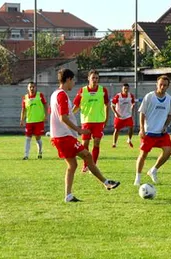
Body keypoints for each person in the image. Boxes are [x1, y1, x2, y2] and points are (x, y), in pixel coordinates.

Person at [50, 68, 120, 202]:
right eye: (73, 80)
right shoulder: (62, 95)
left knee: (72, 165)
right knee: (87, 155)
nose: (74, 83)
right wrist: (79, 130)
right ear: (68, 79)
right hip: (63, 137)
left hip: (59, 136)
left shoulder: (55, 94)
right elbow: (63, 117)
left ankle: (68, 196)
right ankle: (106, 182)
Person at [134, 75, 171, 186]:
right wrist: (141, 129)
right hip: (149, 132)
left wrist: (166, 125)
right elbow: (142, 112)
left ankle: (153, 170)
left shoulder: (170, 99)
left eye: (165, 85)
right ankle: (137, 178)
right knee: (143, 155)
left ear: (168, 86)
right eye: (161, 84)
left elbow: (170, 115)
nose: (162, 86)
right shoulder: (149, 97)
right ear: (157, 84)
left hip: (161, 133)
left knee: (168, 151)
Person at [72, 70, 110, 172]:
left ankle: (93, 166)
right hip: (86, 122)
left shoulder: (103, 90)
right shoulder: (82, 91)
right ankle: (85, 165)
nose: (95, 80)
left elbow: (107, 105)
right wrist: (69, 115)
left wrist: (106, 118)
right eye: (93, 78)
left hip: (98, 121)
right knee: (85, 145)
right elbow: (76, 106)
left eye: (97, 78)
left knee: (96, 143)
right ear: (88, 78)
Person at [20, 82, 47, 160]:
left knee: (38, 138)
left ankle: (40, 151)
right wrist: (22, 120)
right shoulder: (25, 97)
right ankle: (26, 155)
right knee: (28, 138)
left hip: (39, 121)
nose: (32, 88)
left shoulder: (40, 95)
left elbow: (45, 105)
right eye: (30, 87)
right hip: (29, 121)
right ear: (27, 88)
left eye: (33, 87)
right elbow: (23, 109)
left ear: (35, 88)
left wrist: (46, 115)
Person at [111, 83, 135, 148]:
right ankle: (114, 143)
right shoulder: (118, 96)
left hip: (128, 115)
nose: (126, 90)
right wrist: (116, 113)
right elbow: (112, 105)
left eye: (127, 88)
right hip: (119, 116)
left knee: (131, 127)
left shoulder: (131, 96)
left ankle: (129, 140)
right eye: (125, 88)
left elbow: (133, 103)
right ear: (122, 89)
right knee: (116, 130)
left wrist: (132, 107)